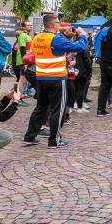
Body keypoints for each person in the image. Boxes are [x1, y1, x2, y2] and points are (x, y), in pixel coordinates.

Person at [22, 14, 88, 148]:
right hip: (56, 78)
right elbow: (79, 47)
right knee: (59, 109)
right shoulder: (55, 39)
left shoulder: (37, 38)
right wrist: (82, 35)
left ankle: (29, 136)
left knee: (41, 108)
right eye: (58, 22)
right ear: (54, 24)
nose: (60, 24)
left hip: (41, 77)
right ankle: (54, 140)